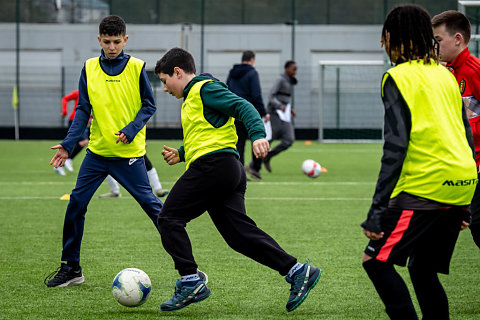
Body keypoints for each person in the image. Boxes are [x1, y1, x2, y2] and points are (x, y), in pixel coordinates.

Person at [154, 48, 321, 312]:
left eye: (164, 81)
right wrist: (182, 153)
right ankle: (298, 270)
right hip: (226, 169)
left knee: (169, 218)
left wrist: (258, 135)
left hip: (214, 167)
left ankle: (189, 281)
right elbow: (207, 133)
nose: (165, 88)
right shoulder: (192, 99)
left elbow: (243, 106)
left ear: (177, 72)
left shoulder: (204, 89)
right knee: (238, 236)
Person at [361, 5, 477, 320]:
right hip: (462, 184)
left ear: (395, 39)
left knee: (375, 262)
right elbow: (466, 135)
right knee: (422, 270)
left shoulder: (396, 77)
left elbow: (395, 146)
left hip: (426, 186)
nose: (381, 43)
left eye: (383, 36)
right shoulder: (445, 73)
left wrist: (377, 211)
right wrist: (464, 203)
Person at [45, 15, 164, 287]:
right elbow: (82, 110)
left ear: (125, 39)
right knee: (76, 205)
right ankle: (71, 268)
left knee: (154, 208)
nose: (112, 47)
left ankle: (187, 270)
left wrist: (131, 129)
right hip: (97, 155)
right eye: (107, 42)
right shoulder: (88, 68)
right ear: (99, 40)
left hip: (129, 155)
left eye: (117, 42)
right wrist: (68, 144)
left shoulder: (137, 68)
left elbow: (149, 105)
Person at [432, 10, 480, 249]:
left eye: (438, 40)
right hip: (458, 168)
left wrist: (465, 126)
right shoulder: (444, 73)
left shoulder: (474, 70)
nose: (434, 46)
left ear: (458, 39)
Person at [226, 50, 269, 180]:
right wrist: (263, 112)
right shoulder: (252, 73)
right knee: (257, 139)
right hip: (249, 112)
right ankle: (255, 168)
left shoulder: (232, 73)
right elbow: (256, 94)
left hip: (234, 112)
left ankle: (239, 172)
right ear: (252, 60)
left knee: (239, 144)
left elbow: (227, 90)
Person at [262, 60, 298, 173]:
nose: (295, 72)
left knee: (289, 140)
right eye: (293, 69)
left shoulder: (289, 82)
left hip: (285, 115)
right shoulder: (280, 79)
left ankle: (268, 156)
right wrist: (280, 106)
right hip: (275, 114)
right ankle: (254, 165)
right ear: (286, 69)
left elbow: (284, 99)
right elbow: (271, 96)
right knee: (269, 139)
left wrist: (289, 109)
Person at [98, 154, 169, 198]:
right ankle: (115, 191)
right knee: (108, 163)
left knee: (147, 164)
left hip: (133, 145)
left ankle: (158, 189)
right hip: (116, 145)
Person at [54, 89, 89, 176]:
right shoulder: (79, 92)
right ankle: (67, 160)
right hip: (75, 120)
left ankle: (58, 165)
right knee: (78, 141)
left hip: (84, 122)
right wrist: (64, 111)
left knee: (80, 142)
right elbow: (65, 99)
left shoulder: (97, 92)